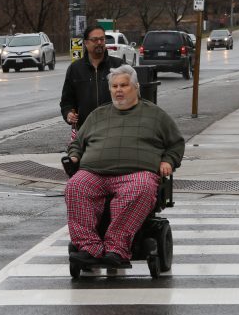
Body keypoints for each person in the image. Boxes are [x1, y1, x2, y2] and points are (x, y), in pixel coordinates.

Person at [65, 65, 185, 268]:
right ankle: (89, 249)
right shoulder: (97, 115)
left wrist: (168, 161)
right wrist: (75, 156)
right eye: (114, 86)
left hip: (136, 173)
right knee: (76, 187)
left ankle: (117, 249)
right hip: (95, 173)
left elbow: (176, 143)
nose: (118, 90)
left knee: (140, 189)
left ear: (136, 87)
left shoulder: (155, 115)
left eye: (124, 85)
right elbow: (77, 143)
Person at [59, 24, 125, 137]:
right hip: (86, 131)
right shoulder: (75, 69)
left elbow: (132, 96)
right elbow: (66, 101)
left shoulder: (118, 66)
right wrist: (68, 113)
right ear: (86, 43)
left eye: (102, 39)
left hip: (115, 130)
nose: (99, 42)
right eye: (94, 40)